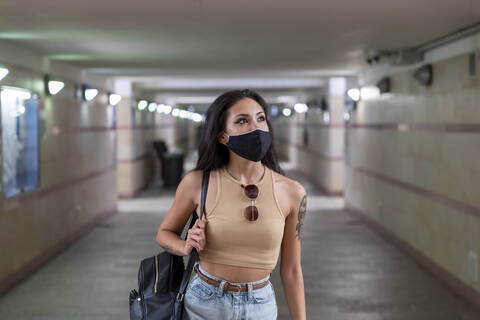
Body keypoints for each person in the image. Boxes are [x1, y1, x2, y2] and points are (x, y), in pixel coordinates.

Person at [156, 89, 307, 320]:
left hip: (260, 304)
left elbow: (292, 270)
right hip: (204, 302)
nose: (256, 127)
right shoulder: (197, 183)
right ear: (222, 136)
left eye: (260, 118)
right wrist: (185, 245)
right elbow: (164, 233)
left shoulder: (292, 192)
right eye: (242, 121)